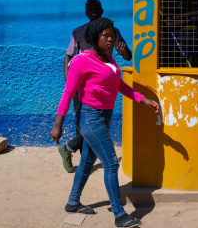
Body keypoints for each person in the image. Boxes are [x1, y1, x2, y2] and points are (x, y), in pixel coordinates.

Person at [50, 17, 159, 228]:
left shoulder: (109, 59)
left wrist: (142, 99)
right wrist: (58, 124)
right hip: (91, 118)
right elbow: (69, 92)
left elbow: (120, 86)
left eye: (112, 35)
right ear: (95, 37)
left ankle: (73, 202)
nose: (111, 39)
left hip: (104, 117)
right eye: (106, 36)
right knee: (111, 163)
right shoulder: (82, 60)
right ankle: (119, 214)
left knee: (87, 162)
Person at [58, 0, 132, 173]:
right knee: (83, 124)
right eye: (89, 8)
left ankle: (68, 148)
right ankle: (84, 161)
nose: (93, 10)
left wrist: (124, 50)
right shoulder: (78, 32)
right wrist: (70, 81)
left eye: (96, 8)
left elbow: (127, 56)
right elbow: (68, 56)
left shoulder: (112, 32)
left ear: (101, 10)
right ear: (86, 12)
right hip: (82, 87)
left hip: (104, 88)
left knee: (99, 126)